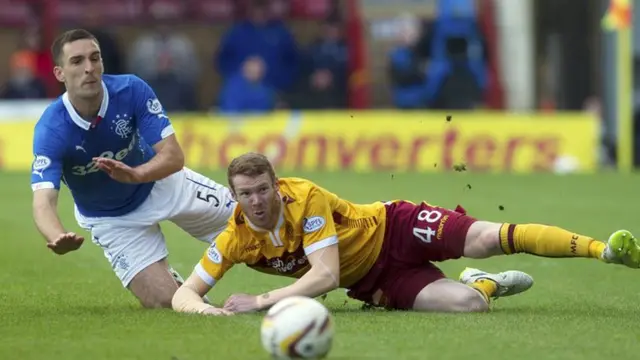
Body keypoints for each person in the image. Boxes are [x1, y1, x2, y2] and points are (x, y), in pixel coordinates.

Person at [171, 152, 639, 315]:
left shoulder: (303, 198)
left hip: (396, 226)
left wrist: (261, 302)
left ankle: (603, 250)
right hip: (374, 281)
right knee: (468, 306)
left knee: (486, 238)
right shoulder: (235, 239)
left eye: (262, 190)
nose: (255, 201)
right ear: (234, 196)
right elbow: (184, 294)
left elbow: (324, 276)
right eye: (245, 194)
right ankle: (482, 283)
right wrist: (210, 313)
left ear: (277, 185)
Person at [30, 29, 235, 309]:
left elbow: (174, 156)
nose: (89, 68)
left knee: (251, 222)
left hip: (163, 184)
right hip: (112, 220)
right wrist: (56, 236)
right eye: (77, 61)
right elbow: (43, 201)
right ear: (59, 73)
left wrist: (135, 174)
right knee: (167, 302)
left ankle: (311, 271)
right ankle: (172, 283)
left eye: (94, 58)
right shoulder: (51, 129)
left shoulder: (130, 90)